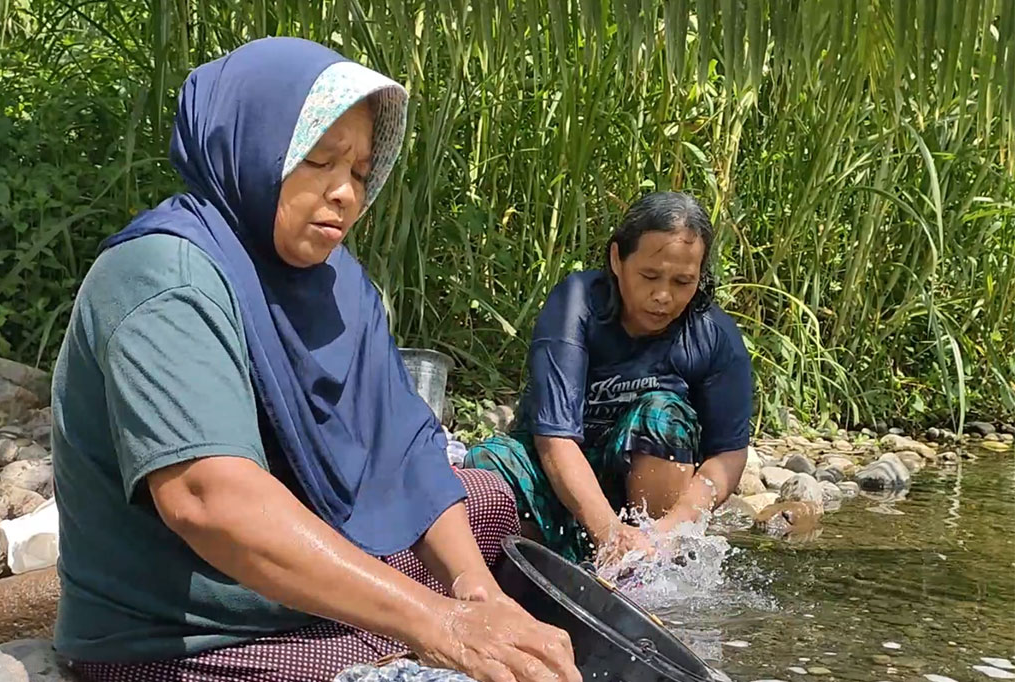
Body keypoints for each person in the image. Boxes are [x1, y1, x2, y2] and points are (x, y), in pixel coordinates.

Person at [50, 37, 579, 682]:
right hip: (193, 632)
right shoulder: (164, 279)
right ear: (249, 147)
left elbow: (405, 453)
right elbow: (210, 500)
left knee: (488, 501)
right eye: (321, 161)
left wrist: (476, 595)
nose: (345, 195)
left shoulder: (337, 286)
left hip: (288, 594)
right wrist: (437, 624)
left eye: (359, 172)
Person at [465, 192, 752, 565]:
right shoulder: (577, 305)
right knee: (486, 464)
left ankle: (652, 567)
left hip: (643, 493)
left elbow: (728, 454)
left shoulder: (715, 336)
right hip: (558, 478)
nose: (663, 296)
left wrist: (672, 529)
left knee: (660, 414)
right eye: (649, 276)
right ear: (617, 259)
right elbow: (554, 438)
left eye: (683, 282)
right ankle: (541, 564)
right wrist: (607, 532)